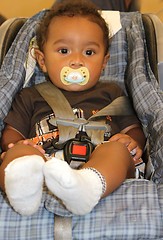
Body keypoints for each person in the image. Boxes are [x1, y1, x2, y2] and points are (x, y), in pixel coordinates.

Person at [0, 0, 145, 216]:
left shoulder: (112, 93)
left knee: (117, 150)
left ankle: (89, 187)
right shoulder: (30, 95)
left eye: (88, 52)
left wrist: (131, 141)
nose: (76, 61)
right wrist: (19, 145)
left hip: (102, 163)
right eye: (64, 50)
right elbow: (13, 133)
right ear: (42, 60)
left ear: (104, 62)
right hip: (44, 164)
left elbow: (133, 130)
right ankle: (23, 192)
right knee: (18, 154)